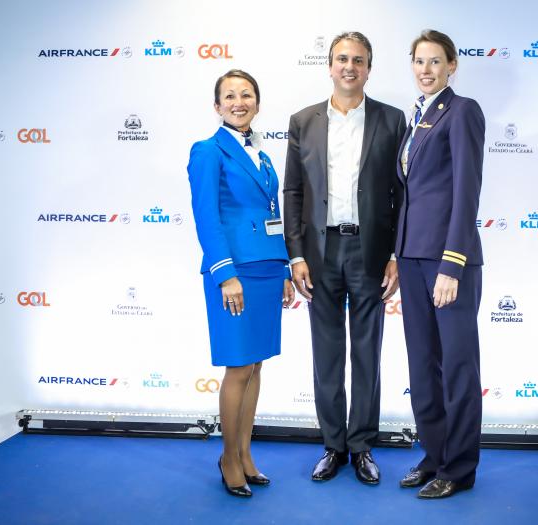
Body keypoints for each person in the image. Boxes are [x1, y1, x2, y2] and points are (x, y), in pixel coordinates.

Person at [283, 31, 406, 485]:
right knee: (327, 352)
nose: (349, 67)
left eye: (358, 60)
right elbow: (293, 191)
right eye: (341, 59)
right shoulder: (303, 121)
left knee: (368, 351)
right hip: (320, 252)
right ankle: (333, 445)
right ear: (329, 66)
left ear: (369, 68)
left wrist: (395, 253)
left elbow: (402, 194)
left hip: (370, 251)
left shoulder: (392, 120)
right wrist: (296, 255)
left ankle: (362, 445)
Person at [187, 69, 295, 498]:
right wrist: (225, 274)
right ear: (217, 106)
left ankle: (246, 454)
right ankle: (228, 458)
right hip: (235, 273)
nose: (239, 102)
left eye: (246, 95)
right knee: (238, 367)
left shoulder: (263, 156)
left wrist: (284, 270)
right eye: (229, 96)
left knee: (256, 365)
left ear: (257, 103)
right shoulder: (207, 150)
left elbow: (272, 217)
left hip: (267, 269)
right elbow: (206, 217)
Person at [395, 30, 486, 499]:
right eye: (419, 61)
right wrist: (397, 254)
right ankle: (434, 455)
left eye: (435, 61)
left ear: (452, 65)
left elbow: (467, 190)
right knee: (422, 366)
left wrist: (452, 264)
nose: (426, 70)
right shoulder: (416, 117)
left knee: (457, 367)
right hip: (411, 257)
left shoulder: (463, 110)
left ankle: (459, 467)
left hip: (448, 260)